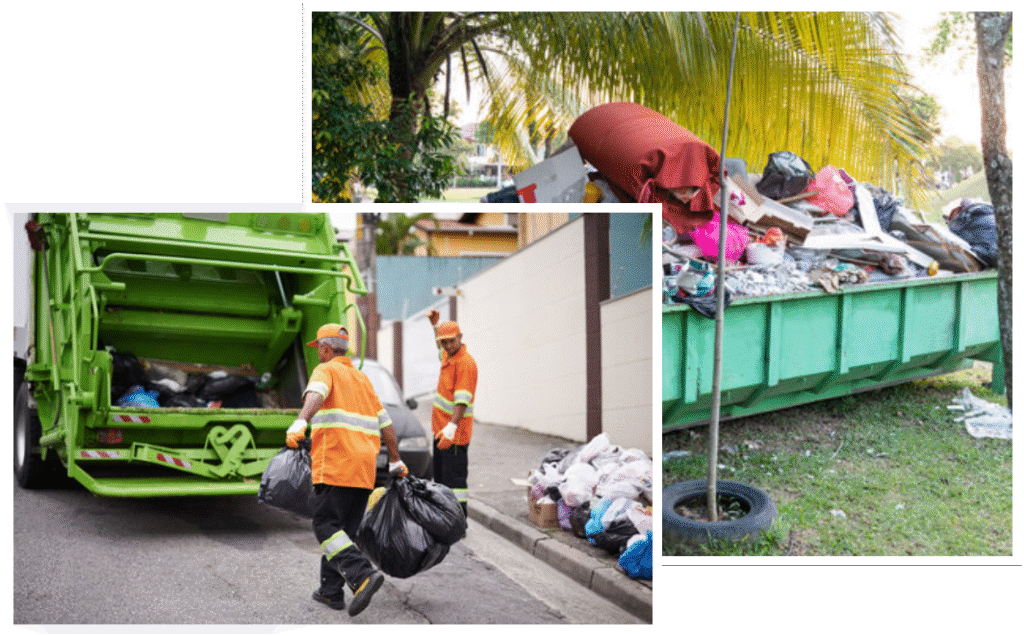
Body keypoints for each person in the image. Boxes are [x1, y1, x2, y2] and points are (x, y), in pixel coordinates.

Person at [285, 323, 408, 616]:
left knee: (325, 526)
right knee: (342, 534)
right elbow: (386, 424)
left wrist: (302, 420)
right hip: (364, 470)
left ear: (327, 350)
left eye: (319, 350)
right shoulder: (363, 380)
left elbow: (315, 394)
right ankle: (331, 593)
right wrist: (395, 459)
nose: (319, 355)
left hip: (336, 464)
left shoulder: (326, 371)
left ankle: (362, 574)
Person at [426, 310, 478, 515]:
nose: (447, 345)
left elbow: (462, 401)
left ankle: (458, 520)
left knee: (455, 482)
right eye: (444, 342)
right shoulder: (449, 356)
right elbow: (439, 347)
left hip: (454, 436)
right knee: (441, 479)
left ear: (460, 338)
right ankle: (443, 518)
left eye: (451, 341)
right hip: (441, 431)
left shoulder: (465, 363)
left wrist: (450, 428)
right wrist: (435, 325)